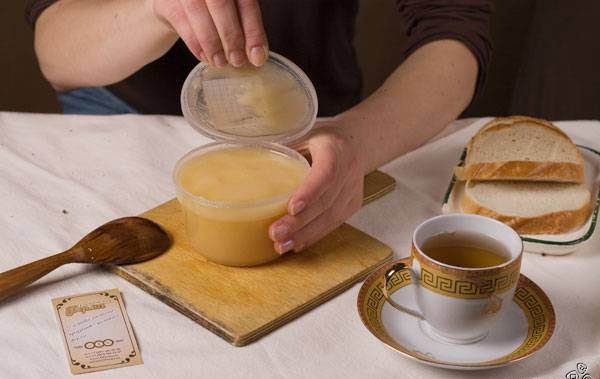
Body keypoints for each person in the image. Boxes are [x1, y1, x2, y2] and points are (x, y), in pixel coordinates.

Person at [26, 0, 492, 254]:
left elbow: (455, 32)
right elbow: (56, 52)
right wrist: (154, 9)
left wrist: (356, 142)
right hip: (124, 109)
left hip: (319, 126)